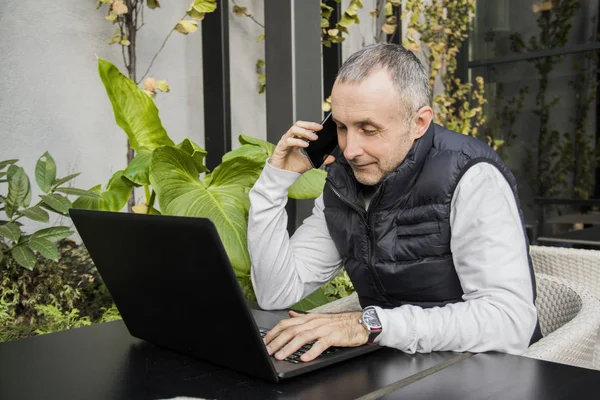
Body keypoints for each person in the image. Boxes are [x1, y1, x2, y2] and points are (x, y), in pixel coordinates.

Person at [248, 43, 541, 364]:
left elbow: (510, 323)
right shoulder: (343, 180)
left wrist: (370, 324)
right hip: (391, 360)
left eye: (368, 129)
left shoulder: (472, 177)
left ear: (419, 122)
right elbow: (276, 292)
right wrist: (273, 183)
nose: (350, 150)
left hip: (479, 368)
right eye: (342, 128)